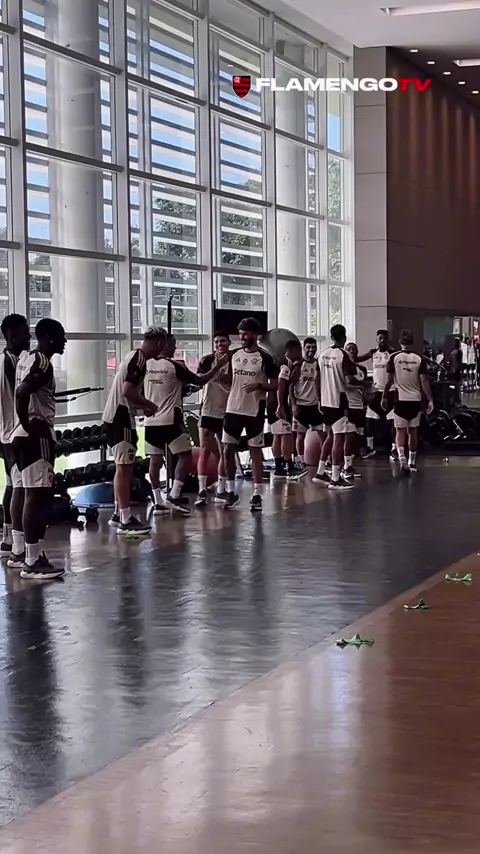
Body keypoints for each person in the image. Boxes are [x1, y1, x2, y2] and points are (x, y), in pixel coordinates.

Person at [144, 331, 228, 515]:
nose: (175, 348)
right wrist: (218, 366)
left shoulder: (146, 365)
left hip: (151, 421)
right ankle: (174, 495)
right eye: (173, 345)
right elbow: (200, 380)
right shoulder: (175, 366)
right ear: (164, 345)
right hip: (171, 421)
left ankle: (158, 501)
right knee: (185, 457)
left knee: (154, 462)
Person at [10, 318, 67, 580]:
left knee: (26, 493)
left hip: (20, 437)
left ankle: (24, 553)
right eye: (61, 336)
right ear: (50, 338)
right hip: (34, 437)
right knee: (38, 497)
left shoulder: (25, 358)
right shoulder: (43, 363)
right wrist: (28, 424)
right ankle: (32, 561)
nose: (65, 341)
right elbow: (21, 393)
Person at [103, 327, 165, 535]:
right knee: (125, 468)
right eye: (164, 345)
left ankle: (118, 513)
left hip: (116, 418)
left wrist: (140, 408)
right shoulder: (139, 359)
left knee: (122, 467)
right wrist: (149, 405)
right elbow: (127, 391)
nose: (163, 350)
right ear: (159, 343)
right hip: (120, 420)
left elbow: (128, 392)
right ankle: (125, 519)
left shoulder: (133, 356)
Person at [222, 317, 278, 511]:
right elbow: (230, 379)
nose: (242, 337)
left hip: (254, 410)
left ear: (255, 334)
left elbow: (276, 384)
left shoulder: (265, 358)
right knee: (227, 450)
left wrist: (259, 385)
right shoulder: (234, 355)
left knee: (255, 452)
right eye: (240, 333)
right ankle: (231, 491)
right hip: (232, 409)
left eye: (245, 333)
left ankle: (257, 494)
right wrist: (222, 379)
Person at [0, 314, 31, 561]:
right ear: (11, 336)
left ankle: (8, 540)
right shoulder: (10, 362)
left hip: (7, 433)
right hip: (12, 433)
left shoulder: (9, 360)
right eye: (24, 333)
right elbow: (20, 394)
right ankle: (18, 549)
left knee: (12, 484)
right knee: (20, 486)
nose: (28, 336)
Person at [313, 324, 358, 490]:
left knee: (330, 436)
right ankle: (335, 478)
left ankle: (320, 472)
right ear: (344, 337)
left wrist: (319, 398)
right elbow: (350, 380)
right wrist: (365, 386)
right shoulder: (343, 355)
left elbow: (317, 379)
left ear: (331, 337)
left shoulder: (322, 354)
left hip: (325, 402)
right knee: (339, 439)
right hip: (339, 402)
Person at [382, 329, 434, 474]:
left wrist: (384, 397)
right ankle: (412, 462)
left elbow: (388, 381)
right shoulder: (419, 359)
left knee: (400, 431)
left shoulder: (393, 357)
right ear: (412, 342)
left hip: (400, 400)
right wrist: (430, 400)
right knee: (413, 431)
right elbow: (424, 381)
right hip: (415, 400)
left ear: (400, 342)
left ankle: (402, 457)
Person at [195, 331, 231, 507]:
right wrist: (216, 369)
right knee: (205, 450)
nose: (219, 344)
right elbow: (199, 380)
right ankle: (201, 490)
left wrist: (225, 376)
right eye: (216, 341)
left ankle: (221, 489)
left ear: (229, 343)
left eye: (222, 341)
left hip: (226, 411)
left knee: (224, 451)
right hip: (208, 410)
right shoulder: (207, 360)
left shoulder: (235, 360)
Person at [284, 337, 324, 469]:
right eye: (308, 347)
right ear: (304, 348)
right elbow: (290, 386)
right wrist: (294, 405)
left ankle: (325, 461)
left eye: (313, 347)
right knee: (300, 435)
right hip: (301, 405)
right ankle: (301, 461)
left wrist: (320, 400)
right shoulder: (299, 365)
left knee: (323, 434)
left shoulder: (317, 364)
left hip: (314, 405)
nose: (311, 350)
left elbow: (318, 384)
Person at [357, 329, 396, 460]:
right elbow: (357, 359)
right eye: (380, 338)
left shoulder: (392, 353)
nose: (382, 340)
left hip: (390, 392)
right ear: (376, 339)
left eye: (385, 338)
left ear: (388, 340)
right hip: (376, 392)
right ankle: (370, 448)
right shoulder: (373, 353)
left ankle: (394, 449)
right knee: (369, 420)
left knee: (393, 422)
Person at [270, 339, 303, 481]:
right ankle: (288, 466)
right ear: (293, 351)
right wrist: (281, 405)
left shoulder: (290, 364)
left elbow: (292, 381)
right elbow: (281, 384)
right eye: (299, 350)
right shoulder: (285, 364)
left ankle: (279, 468)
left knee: (278, 434)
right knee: (285, 434)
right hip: (279, 403)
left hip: (274, 402)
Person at [344, 342, 369, 479]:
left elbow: (365, 389)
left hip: (359, 406)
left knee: (358, 437)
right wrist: (363, 385)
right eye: (349, 349)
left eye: (354, 349)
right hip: (349, 406)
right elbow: (347, 383)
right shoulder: (343, 367)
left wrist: (367, 392)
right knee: (349, 436)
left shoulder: (361, 369)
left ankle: (350, 464)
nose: (352, 352)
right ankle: (345, 467)